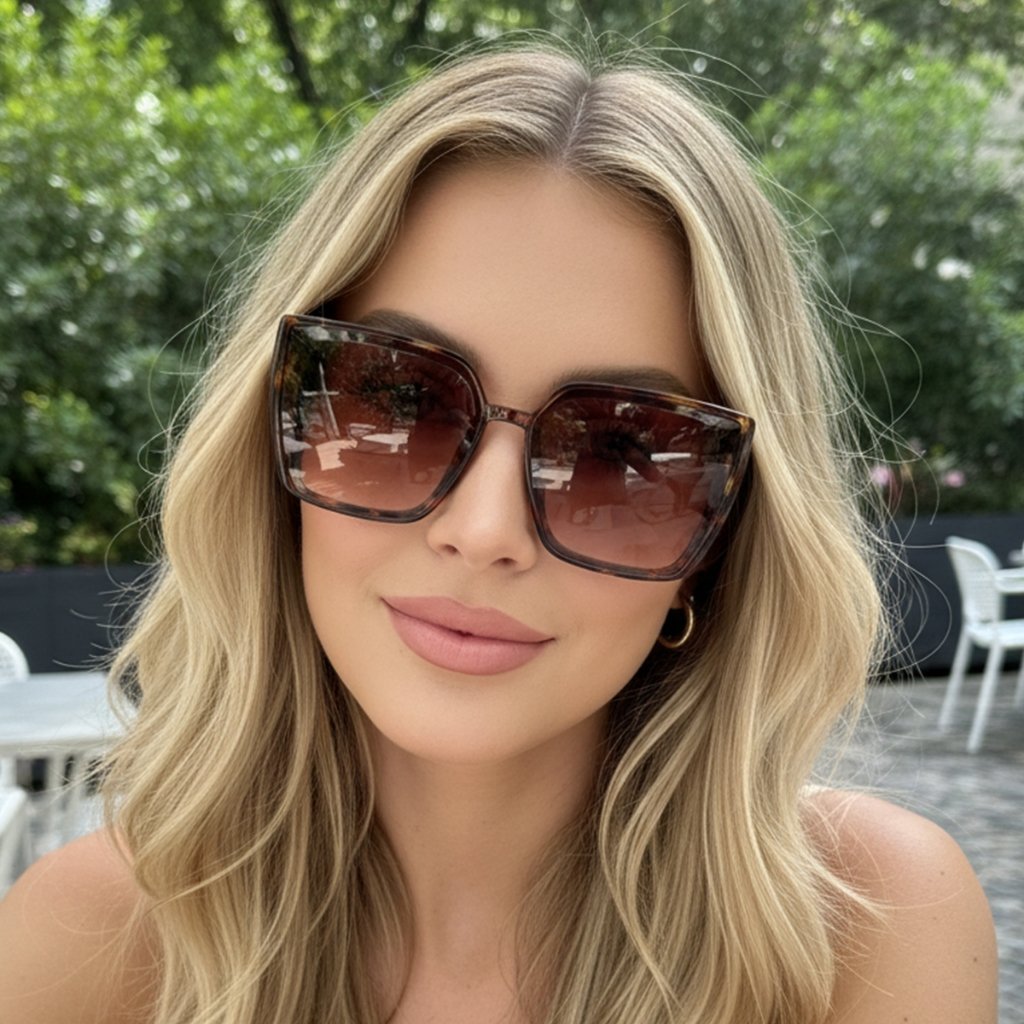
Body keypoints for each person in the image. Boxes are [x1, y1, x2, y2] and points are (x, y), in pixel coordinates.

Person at [0, 44, 997, 1024]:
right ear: (272, 444)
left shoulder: (872, 933)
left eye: (624, 452)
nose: (483, 531)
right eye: (395, 402)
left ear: (720, 542)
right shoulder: (79, 946)